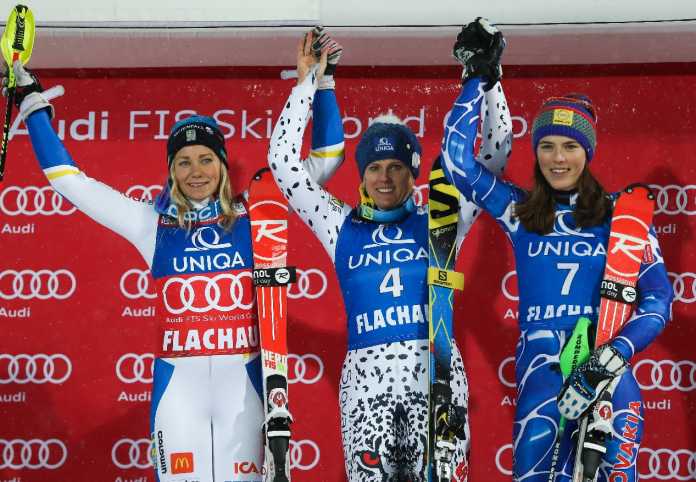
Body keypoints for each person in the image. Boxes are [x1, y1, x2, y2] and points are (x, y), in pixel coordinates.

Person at [5, 30, 344, 482]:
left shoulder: (257, 214)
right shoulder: (151, 224)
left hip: (243, 386)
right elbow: (71, 182)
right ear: (171, 170)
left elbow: (326, 158)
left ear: (222, 164)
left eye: (206, 159)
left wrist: (321, 84)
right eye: (184, 161)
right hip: (178, 391)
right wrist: (32, 103)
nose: (195, 171)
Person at [267, 29, 512, 481]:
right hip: (365, 384)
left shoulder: (442, 218)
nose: (384, 178)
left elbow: (494, 156)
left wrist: (489, 80)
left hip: (435, 372)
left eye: (396, 167)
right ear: (362, 175)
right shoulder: (340, 225)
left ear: (413, 172)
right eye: (374, 168)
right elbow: (283, 164)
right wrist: (310, 83)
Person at [440, 18, 674, 482]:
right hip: (541, 380)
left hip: (607, 379)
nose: (558, 158)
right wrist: (478, 79)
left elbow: (659, 299)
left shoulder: (621, 216)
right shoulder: (519, 211)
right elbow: (456, 162)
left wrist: (611, 356)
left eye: (570, 146)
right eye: (546, 146)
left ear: (588, 152)